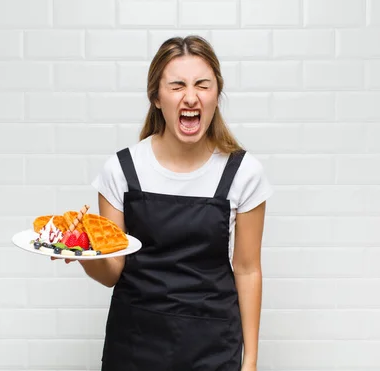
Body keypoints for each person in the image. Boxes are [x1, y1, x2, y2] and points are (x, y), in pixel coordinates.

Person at [64, 35, 272, 370]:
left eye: (202, 85)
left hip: (213, 348)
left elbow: (248, 269)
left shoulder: (243, 173)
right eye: (177, 85)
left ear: (216, 95)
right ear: (157, 98)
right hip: (134, 346)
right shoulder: (120, 170)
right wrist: (84, 254)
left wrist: (250, 361)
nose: (191, 97)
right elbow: (111, 271)